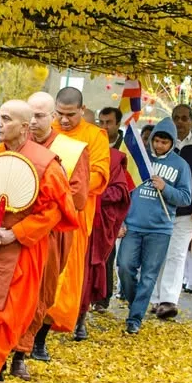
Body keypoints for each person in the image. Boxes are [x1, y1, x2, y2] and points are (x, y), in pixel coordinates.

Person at [0, 100, 78, 383]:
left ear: (24, 127)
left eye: (6, 119)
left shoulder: (46, 164)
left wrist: (17, 232)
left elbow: (56, 211)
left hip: (23, 248)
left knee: (8, 315)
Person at [7, 92, 89, 375]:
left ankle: (20, 355)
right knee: (3, 292)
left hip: (50, 235)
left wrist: (41, 205)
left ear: (53, 117)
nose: (33, 121)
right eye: (29, 114)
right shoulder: (12, 144)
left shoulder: (72, 150)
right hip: (11, 231)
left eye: (40, 116)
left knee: (38, 294)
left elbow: (77, 198)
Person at [44, 88, 111, 343]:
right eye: (59, 113)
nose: (63, 120)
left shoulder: (94, 136)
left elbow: (99, 175)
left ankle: (45, 332)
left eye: (70, 115)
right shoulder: (46, 129)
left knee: (65, 277)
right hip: (44, 210)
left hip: (75, 215)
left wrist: (67, 188)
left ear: (82, 111)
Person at [116, 118, 192, 334]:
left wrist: (165, 187)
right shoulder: (140, 160)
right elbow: (125, 190)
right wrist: (121, 219)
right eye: (156, 141)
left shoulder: (180, 166)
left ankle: (135, 319)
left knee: (149, 275)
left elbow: (186, 198)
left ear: (172, 143)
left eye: (164, 143)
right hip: (133, 225)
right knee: (125, 267)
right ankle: (135, 303)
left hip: (160, 229)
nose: (159, 146)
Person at [150, 104, 192, 320]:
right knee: (157, 254)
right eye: (176, 118)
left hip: (187, 212)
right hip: (160, 208)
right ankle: (155, 297)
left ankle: (168, 300)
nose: (180, 122)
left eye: (184, 118)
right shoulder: (163, 145)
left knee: (176, 254)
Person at [82, 146, 133, 319]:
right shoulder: (70, 148)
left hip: (97, 223)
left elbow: (120, 191)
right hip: (73, 218)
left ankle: (81, 316)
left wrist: (92, 195)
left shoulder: (112, 158)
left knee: (90, 268)